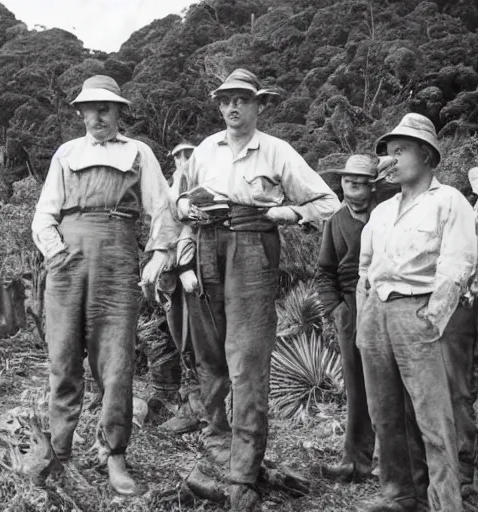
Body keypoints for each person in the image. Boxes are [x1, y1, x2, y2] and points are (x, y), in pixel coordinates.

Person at [176, 68, 339, 510]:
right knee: (208, 354)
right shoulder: (205, 150)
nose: (232, 107)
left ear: (257, 105)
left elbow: (328, 202)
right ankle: (217, 445)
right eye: (226, 100)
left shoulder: (276, 150)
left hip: (252, 247)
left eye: (242, 100)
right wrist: (184, 234)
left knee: (247, 359)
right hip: (205, 245)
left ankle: (244, 471)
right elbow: (177, 203)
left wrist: (289, 214)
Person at [31, 75, 182, 495]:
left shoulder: (139, 153)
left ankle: (115, 455)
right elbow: (44, 214)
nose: (97, 115)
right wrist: (55, 251)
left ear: (119, 112)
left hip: (117, 257)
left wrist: (156, 257)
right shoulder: (66, 153)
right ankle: (59, 454)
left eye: (106, 108)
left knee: (116, 362)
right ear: (80, 112)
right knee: (62, 357)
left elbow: (164, 211)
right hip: (67, 260)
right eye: (90, 108)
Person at [356, 113, 477, 512]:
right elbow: (365, 269)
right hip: (377, 316)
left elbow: (458, 263)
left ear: (426, 155)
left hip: (418, 312)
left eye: (399, 151)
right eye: (387, 153)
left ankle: (445, 502)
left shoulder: (448, 200)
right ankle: (399, 494)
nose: (389, 160)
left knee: (433, 417)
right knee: (385, 412)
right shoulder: (381, 211)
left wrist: (432, 317)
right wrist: (364, 317)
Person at [314, 154, 391, 482]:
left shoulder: (388, 212)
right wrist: (337, 309)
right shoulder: (336, 221)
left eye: (361, 182)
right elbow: (323, 271)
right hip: (350, 307)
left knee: (392, 384)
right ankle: (355, 462)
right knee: (357, 386)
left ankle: (394, 465)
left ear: (373, 186)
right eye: (349, 181)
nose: (354, 188)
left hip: (388, 301)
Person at [155, 141, 206, 434]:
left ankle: (202, 410)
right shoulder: (167, 189)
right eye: (179, 155)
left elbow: (193, 230)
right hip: (170, 276)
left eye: (189, 154)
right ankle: (189, 405)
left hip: (195, 275)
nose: (184, 159)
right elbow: (161, 231)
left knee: (198, 341)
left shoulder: (201, 187)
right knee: (177, 340)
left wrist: (186, 268)